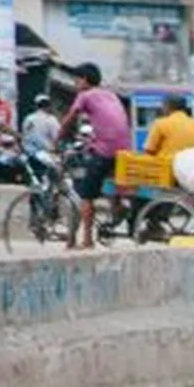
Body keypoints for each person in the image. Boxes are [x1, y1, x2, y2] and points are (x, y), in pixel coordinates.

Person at [59, 65, 132, 250]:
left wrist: (57, 137)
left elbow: (70, 118)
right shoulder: (111, 94)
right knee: (110, 176)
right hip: (124, 150)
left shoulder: (85, 96)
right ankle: (118, 204)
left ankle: (87, 240)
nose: (75, 84)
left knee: (86, 194)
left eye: (76, 80)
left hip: (105, 151)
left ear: (84, 79)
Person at [145, 94, 194, 162]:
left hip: (167, 168)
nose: (162, 109)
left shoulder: (161, 123)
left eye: (163, 106)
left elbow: (149, 150)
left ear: (167, 106)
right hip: (190, 168)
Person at [20, 95, 60, 160]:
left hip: (28, 155)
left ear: (36, 106)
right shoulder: (51, 119)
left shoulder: (28, 119)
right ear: (49, 106)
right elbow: (57, 138)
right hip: (47, 156)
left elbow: (25, 136)